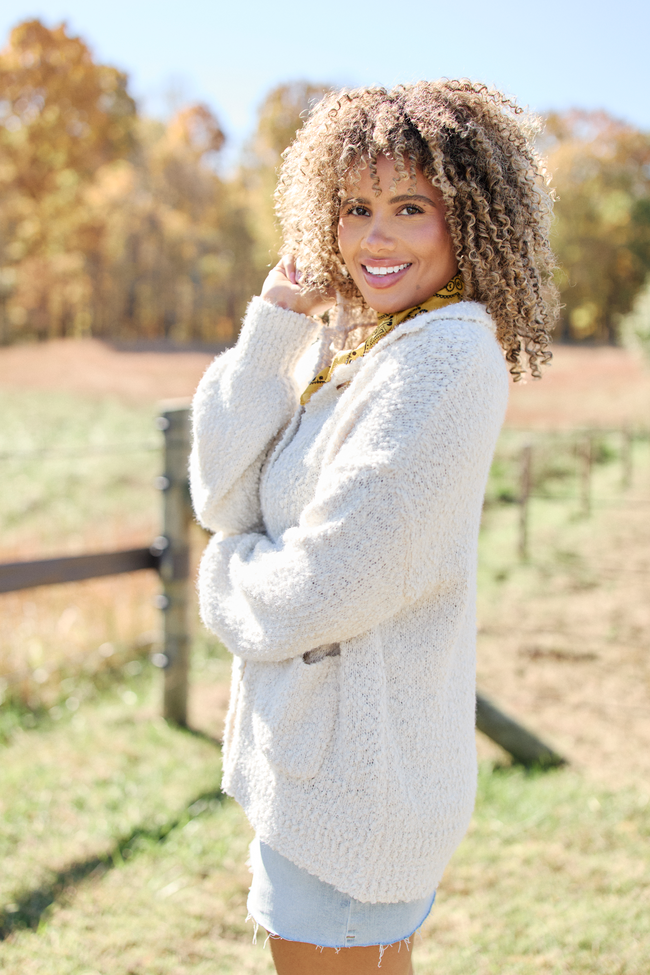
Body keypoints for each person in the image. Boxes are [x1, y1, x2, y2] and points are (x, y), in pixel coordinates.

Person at [190, 80, 555, 974]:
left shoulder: (445, 355)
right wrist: (279, 316)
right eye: (353, 207)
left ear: (468, 217)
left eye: (409, 207)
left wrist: (221, 578)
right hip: (323, 770)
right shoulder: (357, 341)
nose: (373, 238)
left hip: (360, 787)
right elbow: (220, 493)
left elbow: (328, 583)